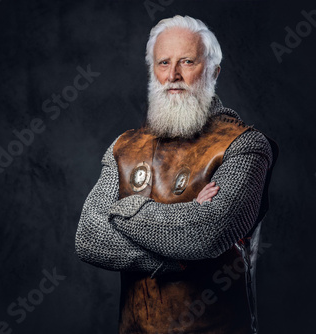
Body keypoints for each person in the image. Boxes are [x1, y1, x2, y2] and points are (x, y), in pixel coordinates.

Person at [75, 15, 277, 334]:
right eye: (164, 63)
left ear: (212, 72)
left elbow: (205, 236)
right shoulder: (124, 147)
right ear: (153, 73)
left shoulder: (244, 145)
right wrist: (171, 254)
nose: (173, 75)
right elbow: (88, 238)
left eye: (187, 61)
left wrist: (123, 209)